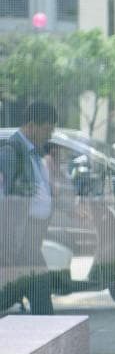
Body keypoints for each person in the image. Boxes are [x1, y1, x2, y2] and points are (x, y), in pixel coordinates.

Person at [0, 101, 59, 314]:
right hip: (20, 241)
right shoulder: (11, 151)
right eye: (47, 128)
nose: (50, 134)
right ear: (32, 125)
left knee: (19, 292)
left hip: (30, 239)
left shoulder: (34, 153)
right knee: (39, 290)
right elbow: (7, 200)